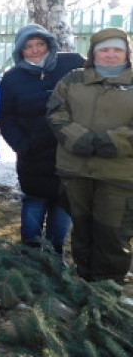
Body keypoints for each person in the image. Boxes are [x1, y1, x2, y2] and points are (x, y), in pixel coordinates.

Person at [47, 28, 133, 283]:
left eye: (117, 50)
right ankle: (84, 281)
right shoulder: (74, 79)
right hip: (76, 170)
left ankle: (108, 289)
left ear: (127, 54)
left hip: (119, 175)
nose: (110, 55)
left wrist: (111, 142)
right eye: (104, 50)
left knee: (112, 234)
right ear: (93, 53)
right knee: (82, 229)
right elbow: (56, 112)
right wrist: (78, 138)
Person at [0, 24, 84, 255]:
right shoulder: (13, 78)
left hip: (68, 152)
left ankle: (55, 255)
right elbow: (5, 116)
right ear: (20, 51)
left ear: (49, 44)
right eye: (28, 47)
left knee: (62, 204)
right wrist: (21, 145)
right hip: (33, 154)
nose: (35, 50)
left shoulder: (72, 64)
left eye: (40, 44)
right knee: (34, 202)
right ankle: (30, 256)